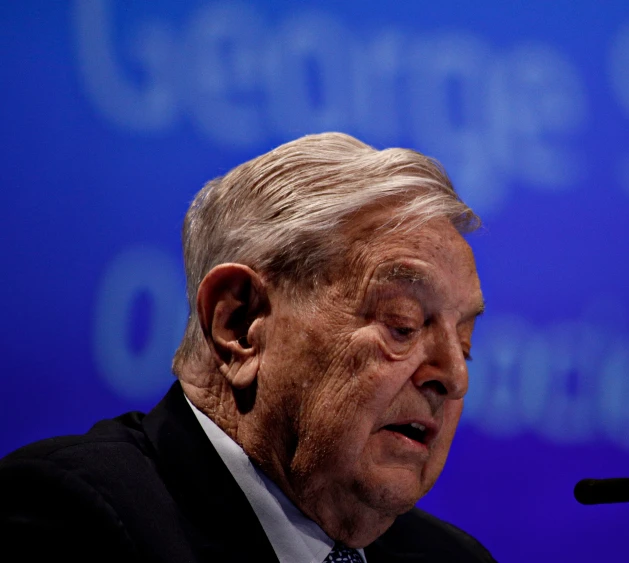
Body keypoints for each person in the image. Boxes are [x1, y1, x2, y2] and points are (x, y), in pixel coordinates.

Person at [0, 133, 495, 563]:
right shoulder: (71, 521)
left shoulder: (454, 562)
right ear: (239, 324)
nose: (454, 375)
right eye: (403, 326)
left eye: (465, 344)